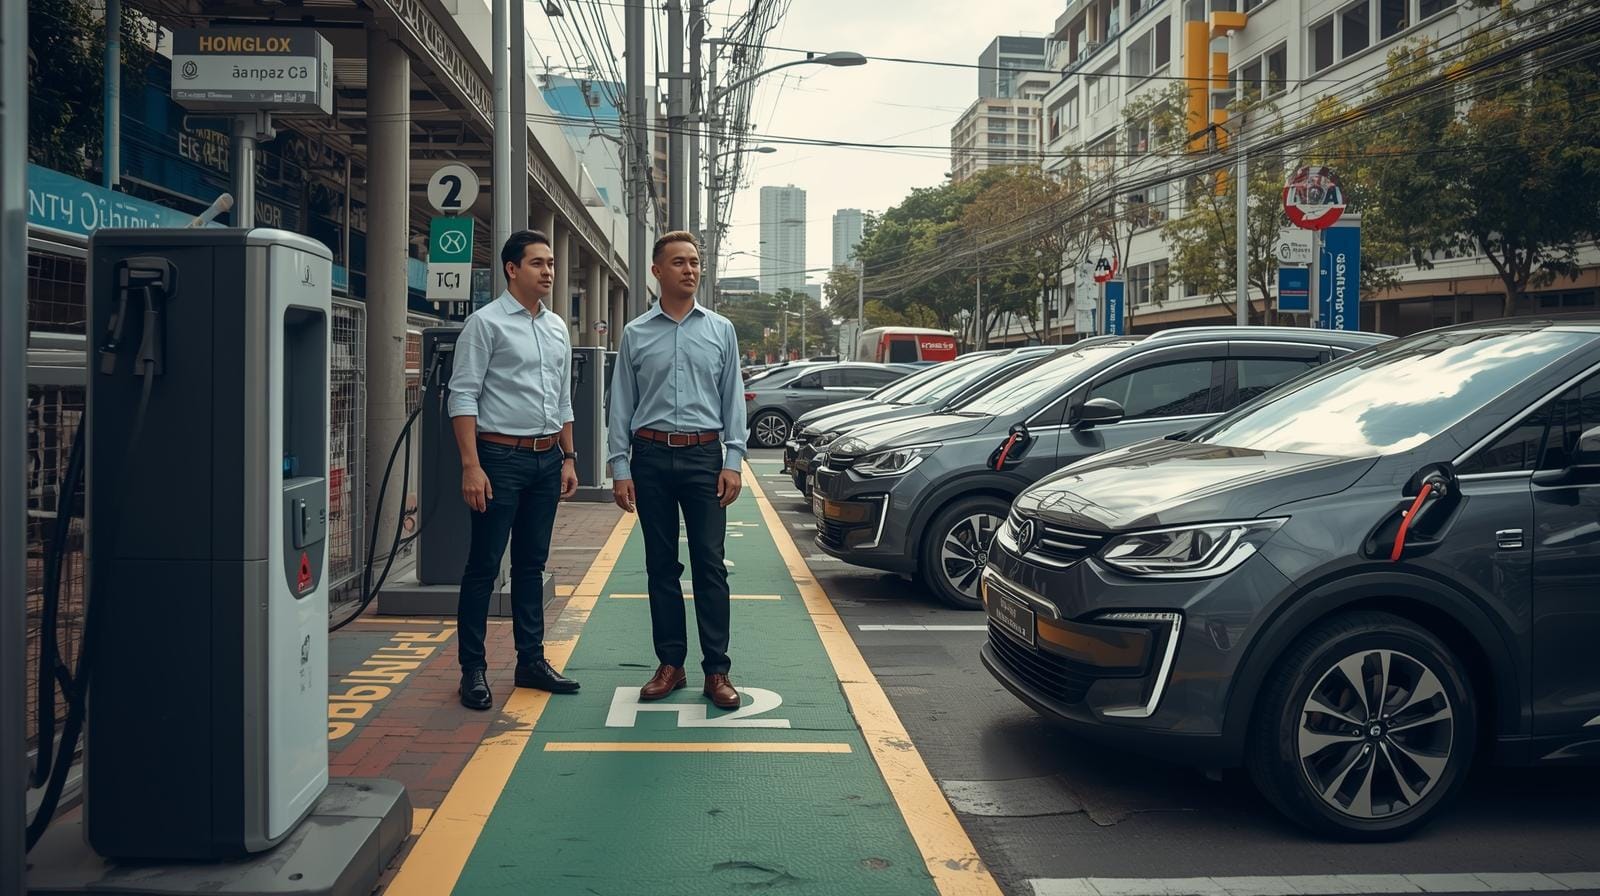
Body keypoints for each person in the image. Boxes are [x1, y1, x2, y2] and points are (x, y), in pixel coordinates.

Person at [608, 231, 747, 710]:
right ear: (657, 271)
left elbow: (733, 400)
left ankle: (718, 670)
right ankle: (671, 663)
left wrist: (733, 460)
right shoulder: (635, 334)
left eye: (694, 262)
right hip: (649, 458)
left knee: (710, 564)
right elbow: (621, 405)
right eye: (679, 262)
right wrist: (620, 467)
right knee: (661, 567)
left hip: (705, 458)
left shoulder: (720, 330)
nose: (690, 270)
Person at [447, 229, 581, 710]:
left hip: (547, 460)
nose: (549, 271)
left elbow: (562, 398)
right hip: (498, 459)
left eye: (551, 263)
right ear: (511, 269)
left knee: (531, 564)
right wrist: (471, 466)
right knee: (483, 567)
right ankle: (473, 670)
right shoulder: (485, 324)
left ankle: (530, 661)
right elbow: (462, 395)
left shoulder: (557, 326)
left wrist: (568, 457)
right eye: (538, 263)